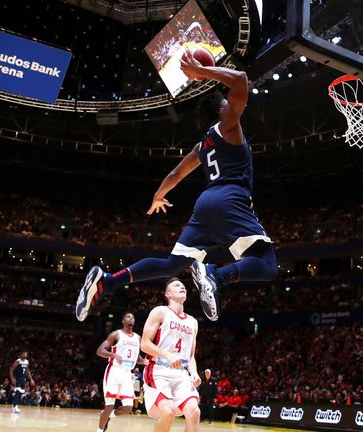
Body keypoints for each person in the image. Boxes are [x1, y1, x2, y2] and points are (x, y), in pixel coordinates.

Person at [75, 57, 277, 323]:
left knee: (172, 264)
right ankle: (216, 275)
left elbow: (175, 174)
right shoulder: (229, 125)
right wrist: (202, 72)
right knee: (266, 264)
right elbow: (240, 79)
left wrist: (159, 196)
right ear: (222, 109)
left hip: (205, 204)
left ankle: (108, 281)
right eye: (227, 103)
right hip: (231, 198)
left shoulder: (201, 146)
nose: (232, 105)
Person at [140, 277, 201, 432]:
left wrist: (194, 373)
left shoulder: (193, 322)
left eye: (183, 285)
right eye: (176, 285)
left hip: (181, 373)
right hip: (158, 370)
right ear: (168, 294)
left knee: (194, 412)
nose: (182, 287)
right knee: (168, 412)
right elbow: (145, 344)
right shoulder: (160, 312)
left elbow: (191, 356)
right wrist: (167, 355)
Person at [96, 312, 146, 432]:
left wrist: (144, 361)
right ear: (123, 321)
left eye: (133, 317)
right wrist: (113, 354)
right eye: (128, 317)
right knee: (109, 405)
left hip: (127, 374)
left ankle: (108, 415)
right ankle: (99, 430)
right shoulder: (116, 334)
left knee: (128, 408)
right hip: (113, 372)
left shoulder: (138, 338)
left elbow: (136, 357)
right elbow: (100, 350)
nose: (131, 318)